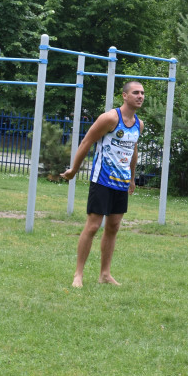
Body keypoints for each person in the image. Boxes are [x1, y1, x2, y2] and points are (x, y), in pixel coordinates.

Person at [61, 81, 145, 288]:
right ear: (124, 96)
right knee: (93, 226)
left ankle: (105, 274)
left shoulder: (138, 124)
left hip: (121, 183)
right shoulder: (109, 118)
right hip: (102, 180)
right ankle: (78, 275)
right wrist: (74, 169)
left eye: (142, 93)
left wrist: (132, 178)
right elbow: (86, 142)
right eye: (136, 92)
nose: (140, 96)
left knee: (114, 227)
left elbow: (132, 151)